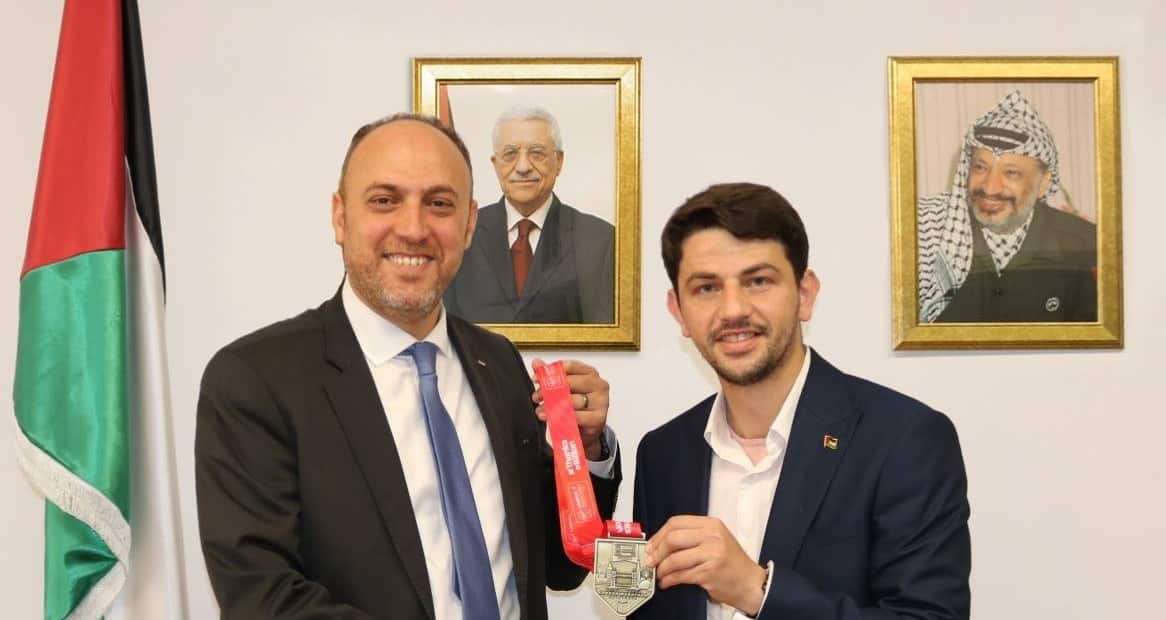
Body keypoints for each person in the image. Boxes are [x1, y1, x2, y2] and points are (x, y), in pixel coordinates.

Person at [195, 113, 621, 620]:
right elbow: (261, 597)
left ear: (468, 225)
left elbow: (559, 566)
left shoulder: (499, 362)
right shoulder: (255, 380)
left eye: (439, 204)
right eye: (384, 200)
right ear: (340, 217)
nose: (414, 228)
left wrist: (586, 451)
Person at [633, 183, 971, 619]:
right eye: (707, 288)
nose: (733, 310)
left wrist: (758, 590)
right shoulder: (662, 453)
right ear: (678, 311)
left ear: (804, 295)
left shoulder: (905, 439)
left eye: (758, 281)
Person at [917, 90, 1097, 323]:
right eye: (980, 168)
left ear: (1043, 184)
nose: (990, 187)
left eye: (1011, 173)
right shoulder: (929, 233)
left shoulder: (1083, 244)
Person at [444, 105, 615, 324]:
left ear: (559, 162)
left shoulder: (600, 240)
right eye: (510, 154)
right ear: (495, 164)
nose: (523, 167)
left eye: (536, 153)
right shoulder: (462, 233)